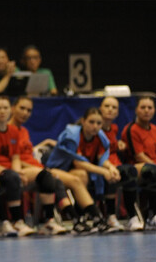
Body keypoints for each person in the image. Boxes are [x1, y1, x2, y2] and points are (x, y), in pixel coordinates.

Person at [11, 96, 107, 234]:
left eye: (29, 110)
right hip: (32, 170)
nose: (25, 113)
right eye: (22, 108)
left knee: (79, 177)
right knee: (62, 179)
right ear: (13, 108)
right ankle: (78, 219)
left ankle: (92, 218)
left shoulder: (24, 131)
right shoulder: (9, 131)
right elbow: (12, 158)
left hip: (39, 169)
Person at [46, 107, 122, 234]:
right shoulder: (72, 136)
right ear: (83, 121)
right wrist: (103, 172)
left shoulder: (99, 137)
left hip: (74, 171)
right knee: (78, 178)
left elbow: (102, 158)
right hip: (55, 170)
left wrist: (111, 168)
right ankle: (83, 218)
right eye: (91, 122)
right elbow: (78, 162)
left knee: (83, 176)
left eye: (99, 123)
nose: (95, 126)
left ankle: (89, 218)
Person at [0, 96, 38, 237]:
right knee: (11, 177)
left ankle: (50, 220)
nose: (2, 111)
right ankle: (15, 221)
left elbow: (15, 158)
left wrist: (18, 172)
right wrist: (5, 170)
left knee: (45, 177)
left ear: (10, 110)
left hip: (10, 170)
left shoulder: (13, 131)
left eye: (5, 108)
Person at [120, 96, 156, 231]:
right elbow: (139, 156)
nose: (146, 111)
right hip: (138, 168)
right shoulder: (131, 129)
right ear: (136, 110)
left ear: (154, 110)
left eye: (150, 108)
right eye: (143, 107)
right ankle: (152, 216)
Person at [98, 96, 130, 231]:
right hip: (101, 164)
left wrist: (119, 144)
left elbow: (111, 144)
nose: (110, 110)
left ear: (117, 112)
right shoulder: (95, 128)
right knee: (113, 173)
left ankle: (132, 217)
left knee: (130, 172)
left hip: (115, 162)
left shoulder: (115, 128)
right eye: (107, 106)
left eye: (114, 107)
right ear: (100, 108)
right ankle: (108, 215)